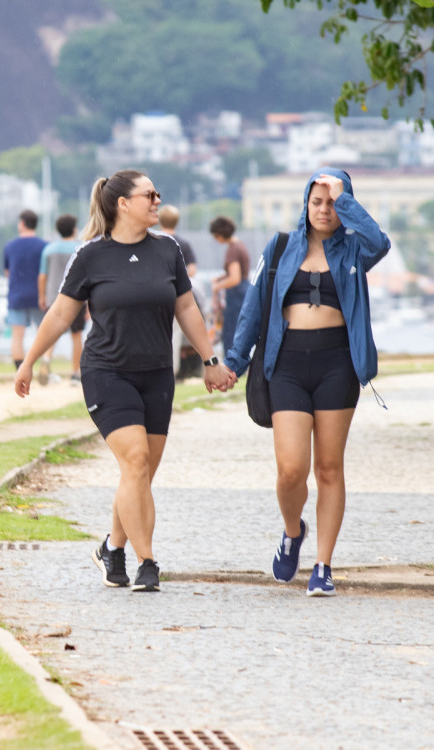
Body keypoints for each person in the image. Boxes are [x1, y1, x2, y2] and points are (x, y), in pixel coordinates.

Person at [15, 170, 236, 592]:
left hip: (157, 374)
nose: (157, 201)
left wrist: (210, 360)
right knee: (135, 460)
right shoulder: (90, 255)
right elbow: (61, 313)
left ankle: (111, 548)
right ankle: (147, 562)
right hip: (106, 372)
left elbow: (186, 308)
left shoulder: (167, 250)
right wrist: (29, 361)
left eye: (157, 194)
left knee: (140, 474)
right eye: (149, 195)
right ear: (122, 204)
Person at [224, 167, 390, 597]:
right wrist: (234, 361)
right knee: (291, 470)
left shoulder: (354, 249)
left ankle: (322, 565)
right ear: (305, 203)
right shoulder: (281, 246)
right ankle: (292, 531)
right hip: (288, 365)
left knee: (329, 468)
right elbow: (253, 308)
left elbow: (381, 243)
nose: (324, 210)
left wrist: (345, 198)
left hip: (337, 364)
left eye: (333, 203)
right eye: (317, 201)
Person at [156, 205, 205, 380]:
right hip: (177, 294)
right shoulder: (182, 244)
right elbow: (192, 270)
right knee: (174, 335)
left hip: (156, 295)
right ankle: (172, 370)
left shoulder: (153, 242)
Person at [37, 214, 86, 385]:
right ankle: (75, 373)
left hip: (54, 296)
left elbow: (42, 276)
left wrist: (42, 296)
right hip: (77, 297)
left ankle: (46, 359)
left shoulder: (49, 250)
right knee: (76, 335)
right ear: (74, 229)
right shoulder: (80, 248)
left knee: (53, 332)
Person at [4, 209, 47, 370]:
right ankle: (44, 365)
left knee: (17, 336)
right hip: (39, 296)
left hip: (17, 295)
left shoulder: (10, 246)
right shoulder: (44, 246)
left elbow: (7, 272)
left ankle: (20, 371)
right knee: (44, 334)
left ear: (22, 223)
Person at [210, 216, 251, 357]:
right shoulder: (239, 245)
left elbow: (235, 278)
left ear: (219, 235)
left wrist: (217, 286)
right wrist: (221, 278)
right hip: (244, 291)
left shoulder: (232, 250)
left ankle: (231, 363)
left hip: (237, 294)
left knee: (231, 332)